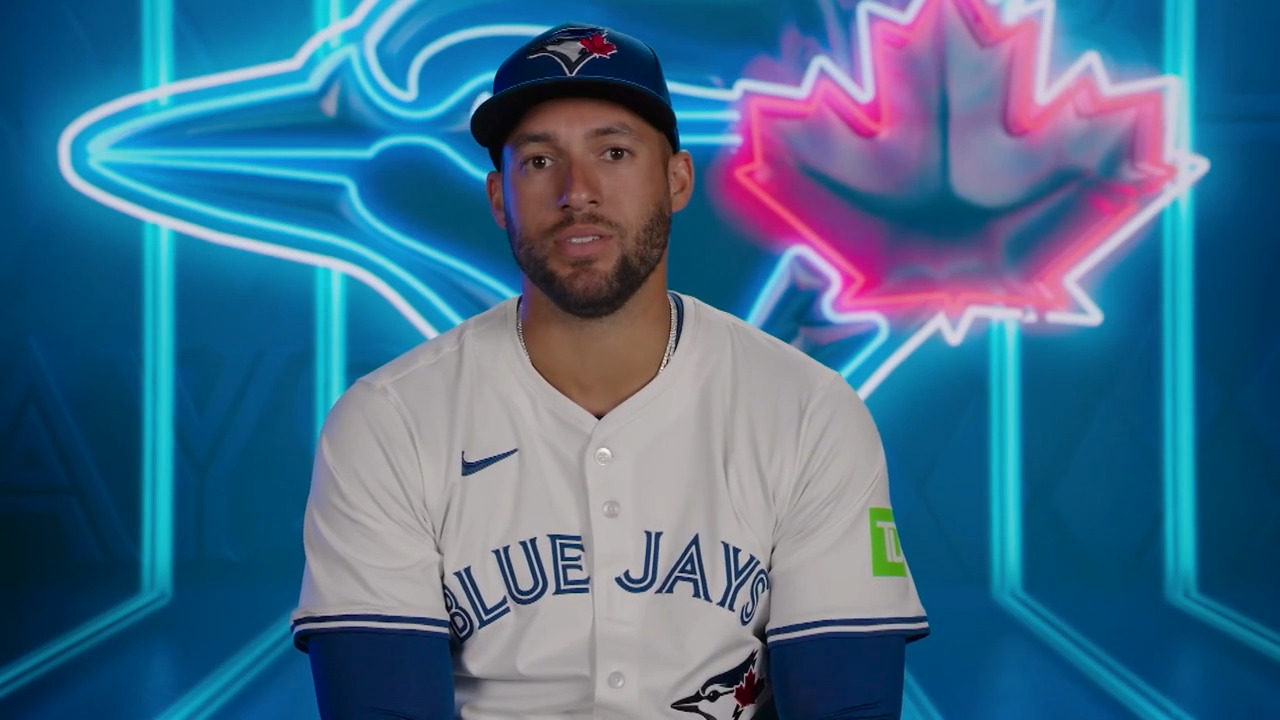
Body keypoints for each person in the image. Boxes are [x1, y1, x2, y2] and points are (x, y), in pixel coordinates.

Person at [291, 22, 929, 720]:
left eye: (615, 152)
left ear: (677, 179)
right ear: (499, 197)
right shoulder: (390, 422)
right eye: (539, 161)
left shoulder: (807, 412)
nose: (578, 191)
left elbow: (847, 705)